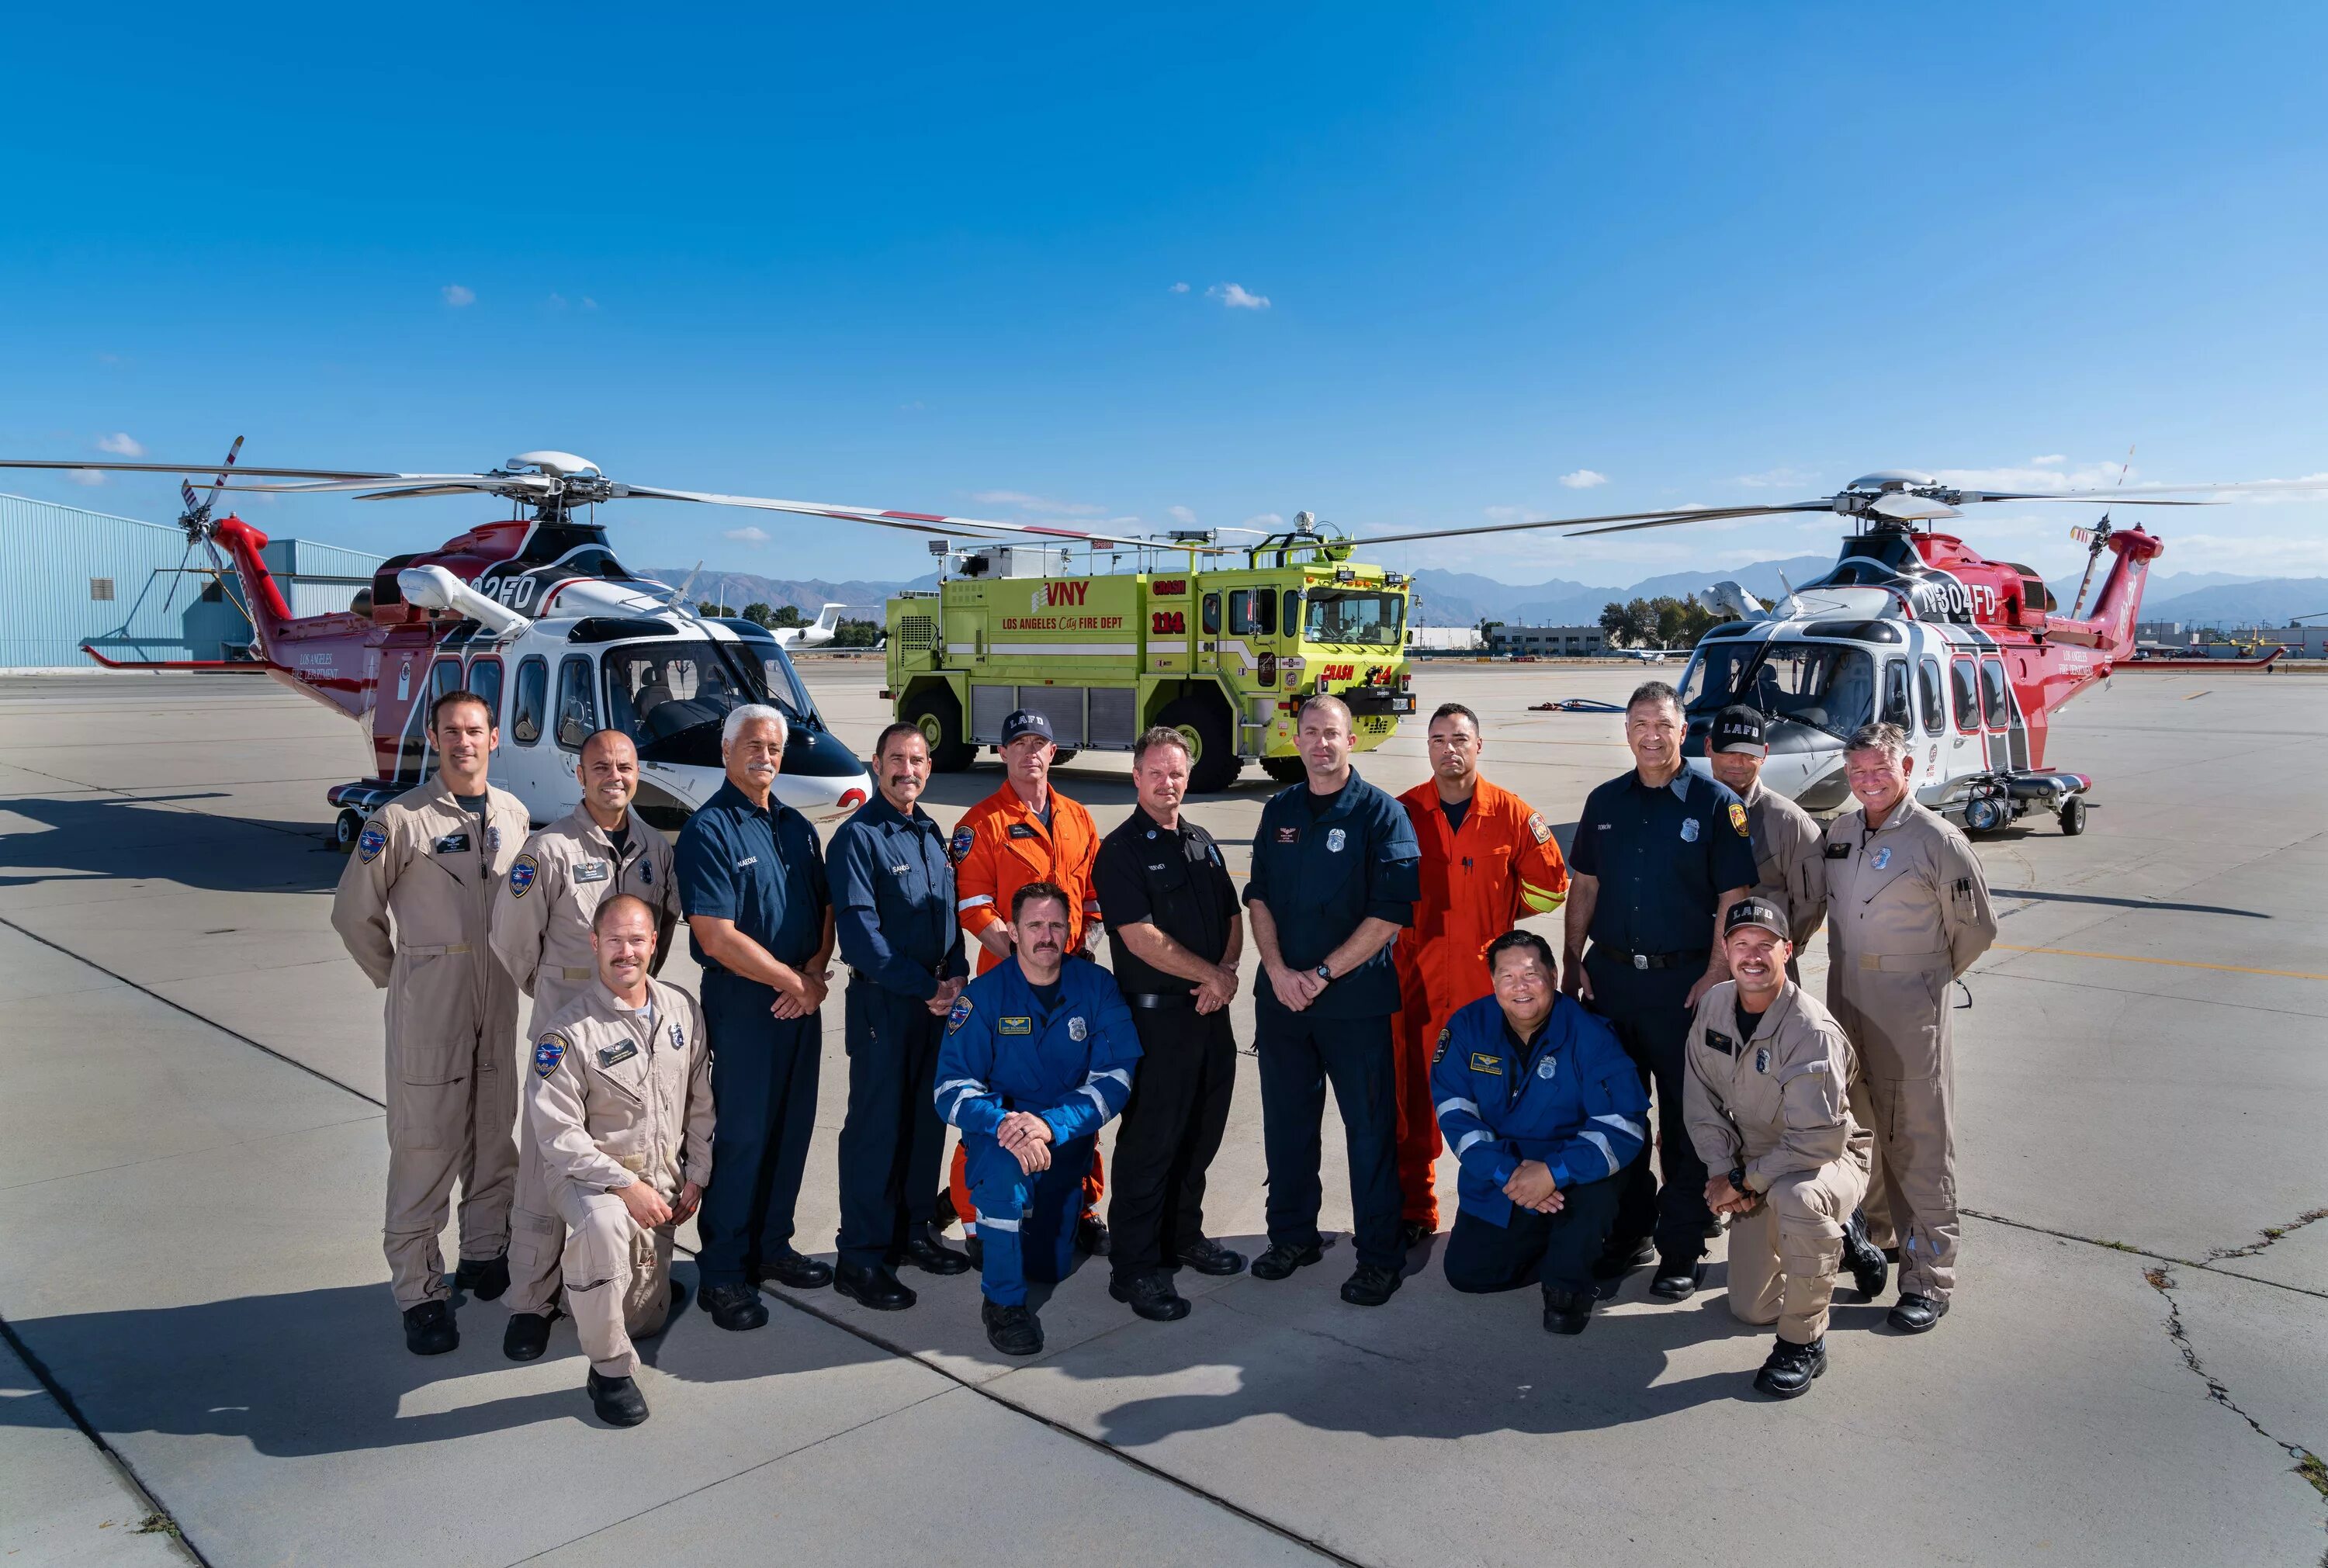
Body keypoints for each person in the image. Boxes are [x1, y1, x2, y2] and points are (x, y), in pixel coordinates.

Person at [332, 688, 533, 1355]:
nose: (464, 741)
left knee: (492, 1134)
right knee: (425, 1146)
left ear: (494, 738)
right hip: (433, 1000)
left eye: (475, 730)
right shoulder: (400, 820)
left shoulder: (513, 814)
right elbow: (352, 913)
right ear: (434, 737)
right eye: (451, 730)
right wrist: (403, 976)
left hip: (496, 997)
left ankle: (483, 1254)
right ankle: (420, 1292)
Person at [490, 728, 682, 1362]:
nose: (614, 776)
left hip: (631, 1039)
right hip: (568, 1032)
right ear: (580, 775)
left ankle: (619, 1288)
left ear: (636, 771)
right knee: (549, 1168)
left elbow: (664, 929)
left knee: (628, 1161)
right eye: (601, 766)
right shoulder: (546, 850)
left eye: (624, 766)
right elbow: (510, 938)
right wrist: (555, 996)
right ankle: (529, 1300)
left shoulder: (655, 848)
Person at [1561, 680, 1756, 1303]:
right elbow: (1584, 888)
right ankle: (1629, 1233)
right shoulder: (1603, 802)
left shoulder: (1716, 804)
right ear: (1627, 732)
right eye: (1640, 724)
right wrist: (1571, 963)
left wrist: (1716, 971)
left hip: (1684, 987)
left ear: (1684, 733)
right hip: (1612, 982)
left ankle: (1681, 1245)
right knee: (1618, 1118)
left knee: (1685, 1121)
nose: (1651, 735)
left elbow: (1734, 899)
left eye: (1663, 724)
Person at [1244, 694, 1422, 1307]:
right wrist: (1276, 970)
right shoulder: (1280, 810)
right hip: (1283, 1002)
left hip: (1354, 1004)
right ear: (1296, 741)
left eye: (1333, 733)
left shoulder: (1382, 815)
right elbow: (1259, 896)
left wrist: (1319, 974)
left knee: (1369, 1132)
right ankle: (1292, 1236)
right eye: (1311, 733)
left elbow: (1389, 915)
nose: (1321, 743)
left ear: (1353, 740)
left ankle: (1379, 1256)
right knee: (1286, 1126)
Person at [1821, 722, 1997, 1334]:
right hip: (1845, 1000)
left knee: (1919, 1137)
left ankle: (1929, 1278)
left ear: (1908, 767)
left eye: (1880, 769)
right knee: (1860, 1127)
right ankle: (1881, 1238)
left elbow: (1976, 929)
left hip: (1908, 1006)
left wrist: (1921, 979)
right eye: (1858, 771)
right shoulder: (1842, 832)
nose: (1868, 781)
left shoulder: (1937, 838)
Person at [676, 703, 836, 1331]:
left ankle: (771, 1247)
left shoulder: (797, 827)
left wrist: (815, 978)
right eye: (752, 744)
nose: (765, 755)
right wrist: (794, 980)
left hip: (802, 999)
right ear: (725, 750)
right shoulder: (709, 830)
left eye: (774, 746)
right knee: (740, 1137)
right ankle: (723, 1272)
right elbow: (716, 936)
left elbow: (824, 913)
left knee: (791, 1130)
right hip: (745, 1002)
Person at [526, 895, 712, 1427]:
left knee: (644, 1319)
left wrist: (697, 1171)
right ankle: (608, 1371)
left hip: (661, 1174)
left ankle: (596, 1292)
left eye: (637, 940)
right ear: (595, 943)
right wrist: (627, 1185)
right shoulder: (567, 1033)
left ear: (655, 943)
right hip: (591, 1177)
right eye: (615, 940)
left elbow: (701, 1098)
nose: (626, 952)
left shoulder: (681, 1009)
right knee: (605, 1226)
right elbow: (557, 1134)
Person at [935, 882, 1141, 1356]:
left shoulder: (1098, 987)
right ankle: (1002, 1304)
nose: (1045, 935)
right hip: (999, 1136)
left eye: (1055, 925)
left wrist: (1050, 1125)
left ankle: (1035, 1228)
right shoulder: (982, 998)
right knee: (1004, 1186)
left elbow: (1116, 1079)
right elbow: (950, 1089)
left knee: (1049, 1267)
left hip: (1063, 1137)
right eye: (1034, 925)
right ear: (1013, 931)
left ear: (1070, 931)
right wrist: (1005, 1124)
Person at [1391, 702, 1570, 1245]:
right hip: (1416, 986)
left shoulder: (1513, 814)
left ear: (1478, 745)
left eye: (1461, 738)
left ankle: (1500, 1209)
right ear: (1428, 747)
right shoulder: (1402, 812)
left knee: (1496, 1101)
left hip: (1484, 991)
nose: (1451, 748)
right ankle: (1416, 1210)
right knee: (1414, 1101)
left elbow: (1552, 886)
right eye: (1439, 738)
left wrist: (1500, 909)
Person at [1684, 898, 1873, 1397]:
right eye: (1741, 944)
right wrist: (1724, 1171)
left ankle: (1804, 1343)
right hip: (1754, 1159)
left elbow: (1816, 1139)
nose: (1752, 956)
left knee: (1799, 1200)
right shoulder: (1715, 1003)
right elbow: (1698, 1099)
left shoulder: (1810, 1029)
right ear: (1725, 949)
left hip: (1823, 1157)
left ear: (1787, 952)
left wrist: (1746, 1182)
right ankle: (1842, 1236)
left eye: (1765, 946)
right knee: (1751, 1308)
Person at [1092, 726, 1246, 1321]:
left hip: (1211, 1016)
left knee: (1199, 1138)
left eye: (1176, 771)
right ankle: (1133, 1267)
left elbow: (1232, 914)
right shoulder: (1122, 850)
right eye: (1155, 771)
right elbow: (1140, 938)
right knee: (1150, 1145)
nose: (1168, 782)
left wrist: (1225, 972)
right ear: (1136, 777)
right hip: (1156, 1025)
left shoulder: (1202, 840)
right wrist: (1211, 975)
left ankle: (1183, 1236)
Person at [943, 708, 1108, 1258]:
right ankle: (975, 1221)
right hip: (1008, 990)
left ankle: (1080, 1205)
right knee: (995, 1108)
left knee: (1079, 1101)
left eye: (1040, 742)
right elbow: (974, 907)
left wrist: (1087, 944)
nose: (1030, 752)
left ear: (1053, 752)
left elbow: (1091, 894)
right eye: (1019, 743)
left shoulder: (1079, 817)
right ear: (1003, 752)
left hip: (1071, 990)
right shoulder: (981, 823)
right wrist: (1026, 960)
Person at [1432, 932, 1647, 1334]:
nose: (1520, 987)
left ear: (1552, 974)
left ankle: (1571, 1281)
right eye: (1507, 976)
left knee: (1595, 1199)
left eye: (1531, 974)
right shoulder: (1466, 1028)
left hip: (1574, 1170)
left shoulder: (1591, 1034)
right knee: (1468, 1274)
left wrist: (1552, 1174)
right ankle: (1554, 1237)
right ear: (1493, 982)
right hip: (1505, 1171)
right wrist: (1510, 1175)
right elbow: (1456, 1115)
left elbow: (1624, 1125)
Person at [826, 722, 973, 1311]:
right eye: (895, 759)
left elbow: (948, 917)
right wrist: (928, 986)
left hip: (934, 1003)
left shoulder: (930, 831)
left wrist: (957, 973)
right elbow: (862, 938)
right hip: (885, 1006)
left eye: (916, 759)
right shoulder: (857, 839)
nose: (906, 769)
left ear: (928, 768)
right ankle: (860, 1256)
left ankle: (913, 1232)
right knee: (877, 1128)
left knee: (924, 1122)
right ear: (876, 763)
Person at [1704, 705, 1827, 968]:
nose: (1738, 762)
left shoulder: (1790, 823)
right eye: (1729, 751)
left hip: (1761, 967)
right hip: (1697, 965)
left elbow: (1810, 907)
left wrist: (1770, 953)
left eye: (1750, 754)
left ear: (1765, 754)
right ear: (1708, 747)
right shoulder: (1689, 811)